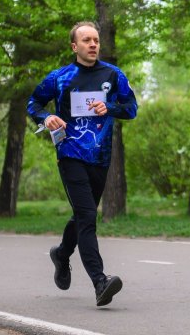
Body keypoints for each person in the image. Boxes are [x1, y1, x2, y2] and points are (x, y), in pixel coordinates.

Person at [27, 21, 137, 307]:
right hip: (70, 154)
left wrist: (109, 107)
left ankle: (62, 254)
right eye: (86, 40)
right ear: (74, 46)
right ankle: (100, 282)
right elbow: (33, 104)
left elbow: (132, 109)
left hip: (100, 158)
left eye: (96, 40)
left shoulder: (114, 76)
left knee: (82, 217)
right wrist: (45, 118)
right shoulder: (60, 77)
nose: (93, 44)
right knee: (88, 216)